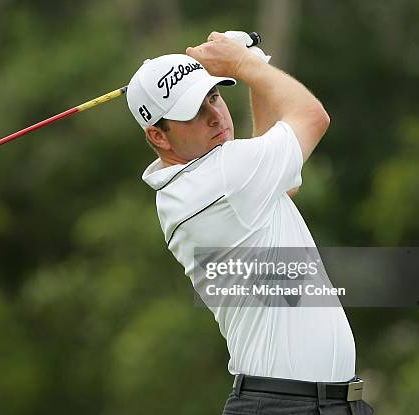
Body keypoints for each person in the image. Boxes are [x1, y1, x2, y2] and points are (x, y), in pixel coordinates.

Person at [126, 31, 374, 415]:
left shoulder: (208, 182)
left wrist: (254, 61)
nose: (214, 116)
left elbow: (281, 184)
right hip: (286, 405)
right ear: (158, 135)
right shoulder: (222, 176)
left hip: (307, 404)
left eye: (214, 96)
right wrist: (245, 65)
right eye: (193, 112)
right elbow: (313, 116)